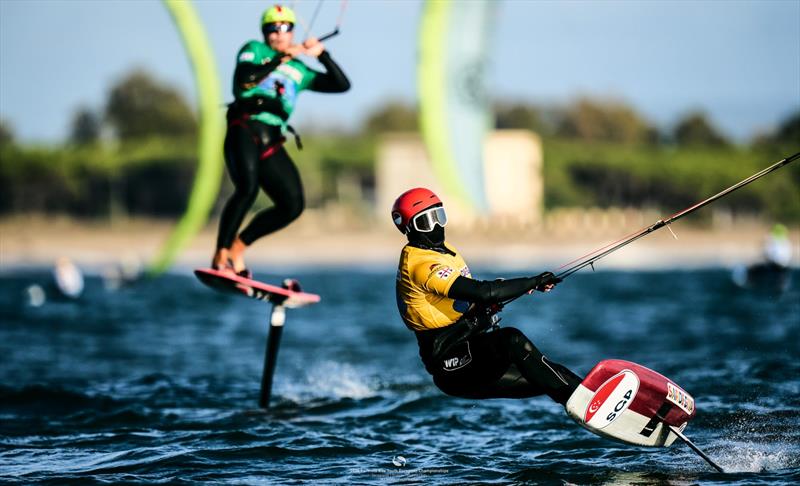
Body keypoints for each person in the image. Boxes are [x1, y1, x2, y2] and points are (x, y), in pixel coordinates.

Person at [392, 188, 583, 405]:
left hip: (473, 352)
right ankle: (580, 402)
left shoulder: (442, 252)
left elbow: (468, 298)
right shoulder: (421, 264)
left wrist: (490, 301)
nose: (436, 226)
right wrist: (533, 282)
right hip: (453, 366)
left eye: (439, 216)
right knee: (512, 340)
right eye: (426, 221)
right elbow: (483, 292)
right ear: (408, 228)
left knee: (549, 373)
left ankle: (590, 396)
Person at [212, 4, 351, 276]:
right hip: (245, 127)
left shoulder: (301, 70)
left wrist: (322, 55)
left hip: (272, 140)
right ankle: (221, 253)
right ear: (264, 32)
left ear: (292, 31)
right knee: (247, 189)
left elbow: (341, 85)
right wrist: (280, 59)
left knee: (293, 205)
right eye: (272, 29)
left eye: (285, 28)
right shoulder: (254, 50)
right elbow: (245, 80)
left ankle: (239, 246)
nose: (278, 34)